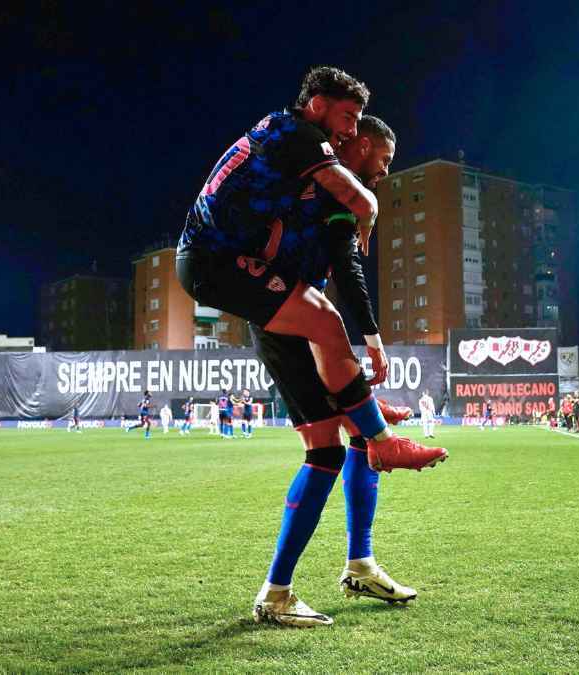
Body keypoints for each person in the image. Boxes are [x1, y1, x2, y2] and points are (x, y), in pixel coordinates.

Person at [175, 66, 443, 472]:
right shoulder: (300, 136)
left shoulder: (284, 136)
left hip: (223, 259)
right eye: (347, 118)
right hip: (212, 261)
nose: (351, 130)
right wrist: (368, 215)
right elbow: (360, 202)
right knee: (325, 321)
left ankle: (366, 414)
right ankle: (382, 441)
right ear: (317, 106)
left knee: (328, 447)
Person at [248, 117, 428, 627]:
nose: (385, 172)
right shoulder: (332, 192)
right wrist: (372, 338)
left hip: (300, 316)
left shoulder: (330, 188)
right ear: (363, 146)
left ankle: (360, 564)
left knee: (356, 438)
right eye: (384, 160)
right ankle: (275, 593)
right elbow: (347, 271)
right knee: (326, 449)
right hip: (282, 319)